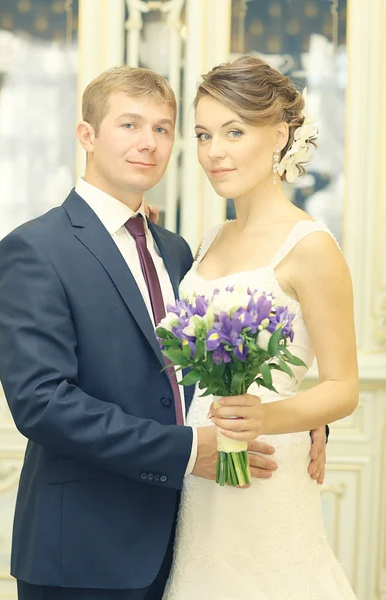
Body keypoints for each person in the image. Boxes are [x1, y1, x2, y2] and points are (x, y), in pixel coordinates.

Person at [0, 65, 327, 600]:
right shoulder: (34, 250)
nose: (148, 142)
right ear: (87, 135)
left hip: (185, 540)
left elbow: (204, 369)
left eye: (164, 128)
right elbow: (43, 404)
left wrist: (287, 416)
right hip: (82, 551)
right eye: (129, 125)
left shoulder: (178, 252)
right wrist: (190, 450)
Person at [163, 57, 358, 599]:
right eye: (202, 134)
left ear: (279, 135)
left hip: (267, 469)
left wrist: (265, 416)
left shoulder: (311, 246)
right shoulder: (208, 239)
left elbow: (343, 388)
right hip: (199, 473)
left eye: (234, 131)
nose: (213, 151)